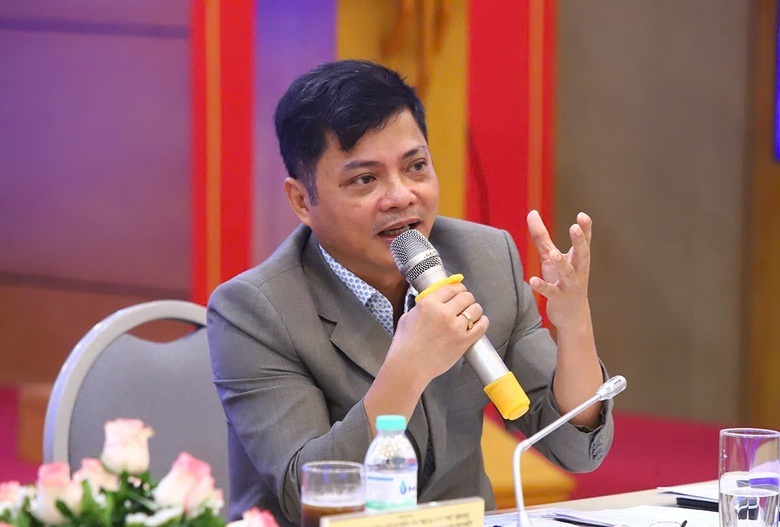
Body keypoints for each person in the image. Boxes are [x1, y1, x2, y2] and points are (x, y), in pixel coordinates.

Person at [207, 59, 614, 526]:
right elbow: (306, 499)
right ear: (302, 200)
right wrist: (408, 368)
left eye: (416, 167)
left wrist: (575, 324)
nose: (401, 196)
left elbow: (573, 447)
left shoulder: (485, 259)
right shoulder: (254, 310)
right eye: (365, 179)